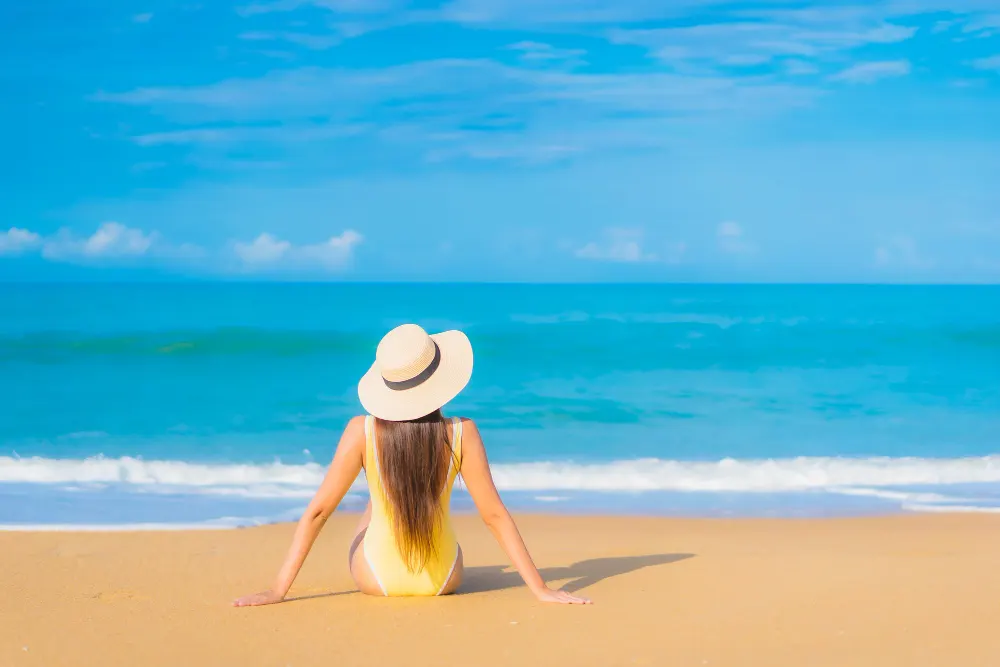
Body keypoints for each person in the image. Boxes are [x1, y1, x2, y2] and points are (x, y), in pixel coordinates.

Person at [233, 324, 591, 605]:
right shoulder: (462, 431)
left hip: (375, 579)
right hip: (444, 579)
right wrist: (541, 589)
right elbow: (493, 515)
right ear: (440, 376)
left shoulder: (362, 430)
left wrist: (278, 590)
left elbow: (319, 511)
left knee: (377, 500)